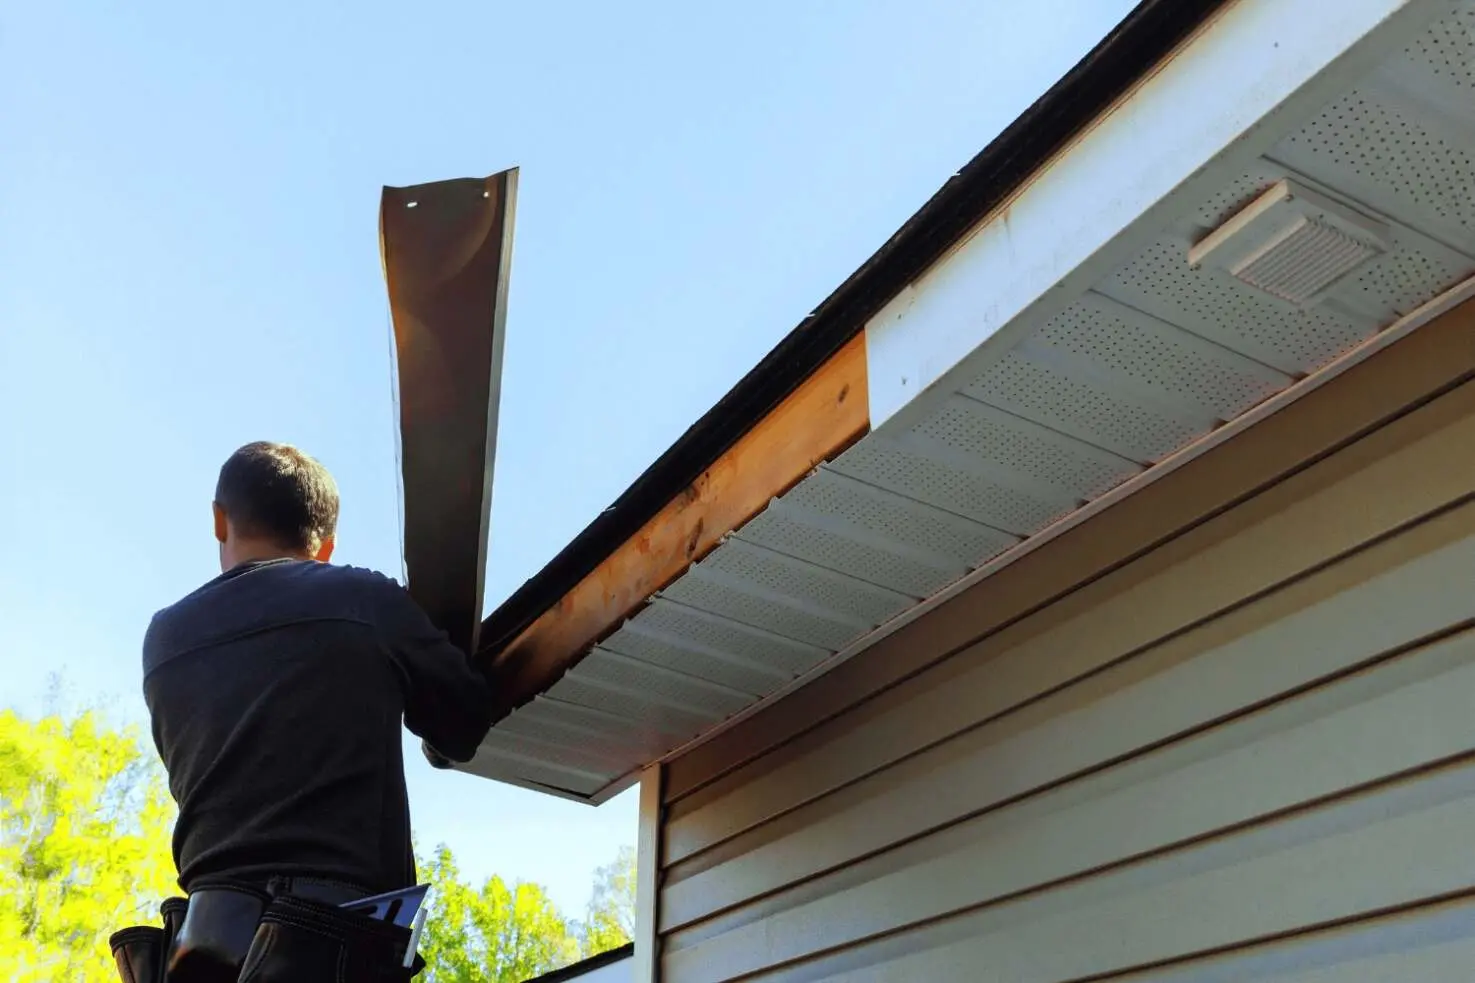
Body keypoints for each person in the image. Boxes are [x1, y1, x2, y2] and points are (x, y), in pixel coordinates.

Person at [113, 441, 495, 982]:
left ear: (219, 520)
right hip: (336, 942)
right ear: (326, 546)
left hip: (203, 947)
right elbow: (462, 726)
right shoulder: (363, 600)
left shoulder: (165, 638)